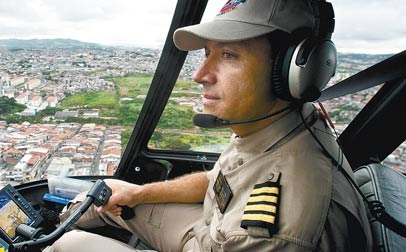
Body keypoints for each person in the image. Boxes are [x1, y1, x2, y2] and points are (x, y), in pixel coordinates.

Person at [46, 0, 373, 251]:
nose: (199, 75)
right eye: (207, 54)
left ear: (296, 71)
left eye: (229, 55)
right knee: (110, 201)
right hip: (211, 225)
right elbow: (218, 179)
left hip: (219, 239)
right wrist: (138, 192)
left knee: (67, 245)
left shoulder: (277, 234)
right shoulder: (274, 127)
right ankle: (49, 223)